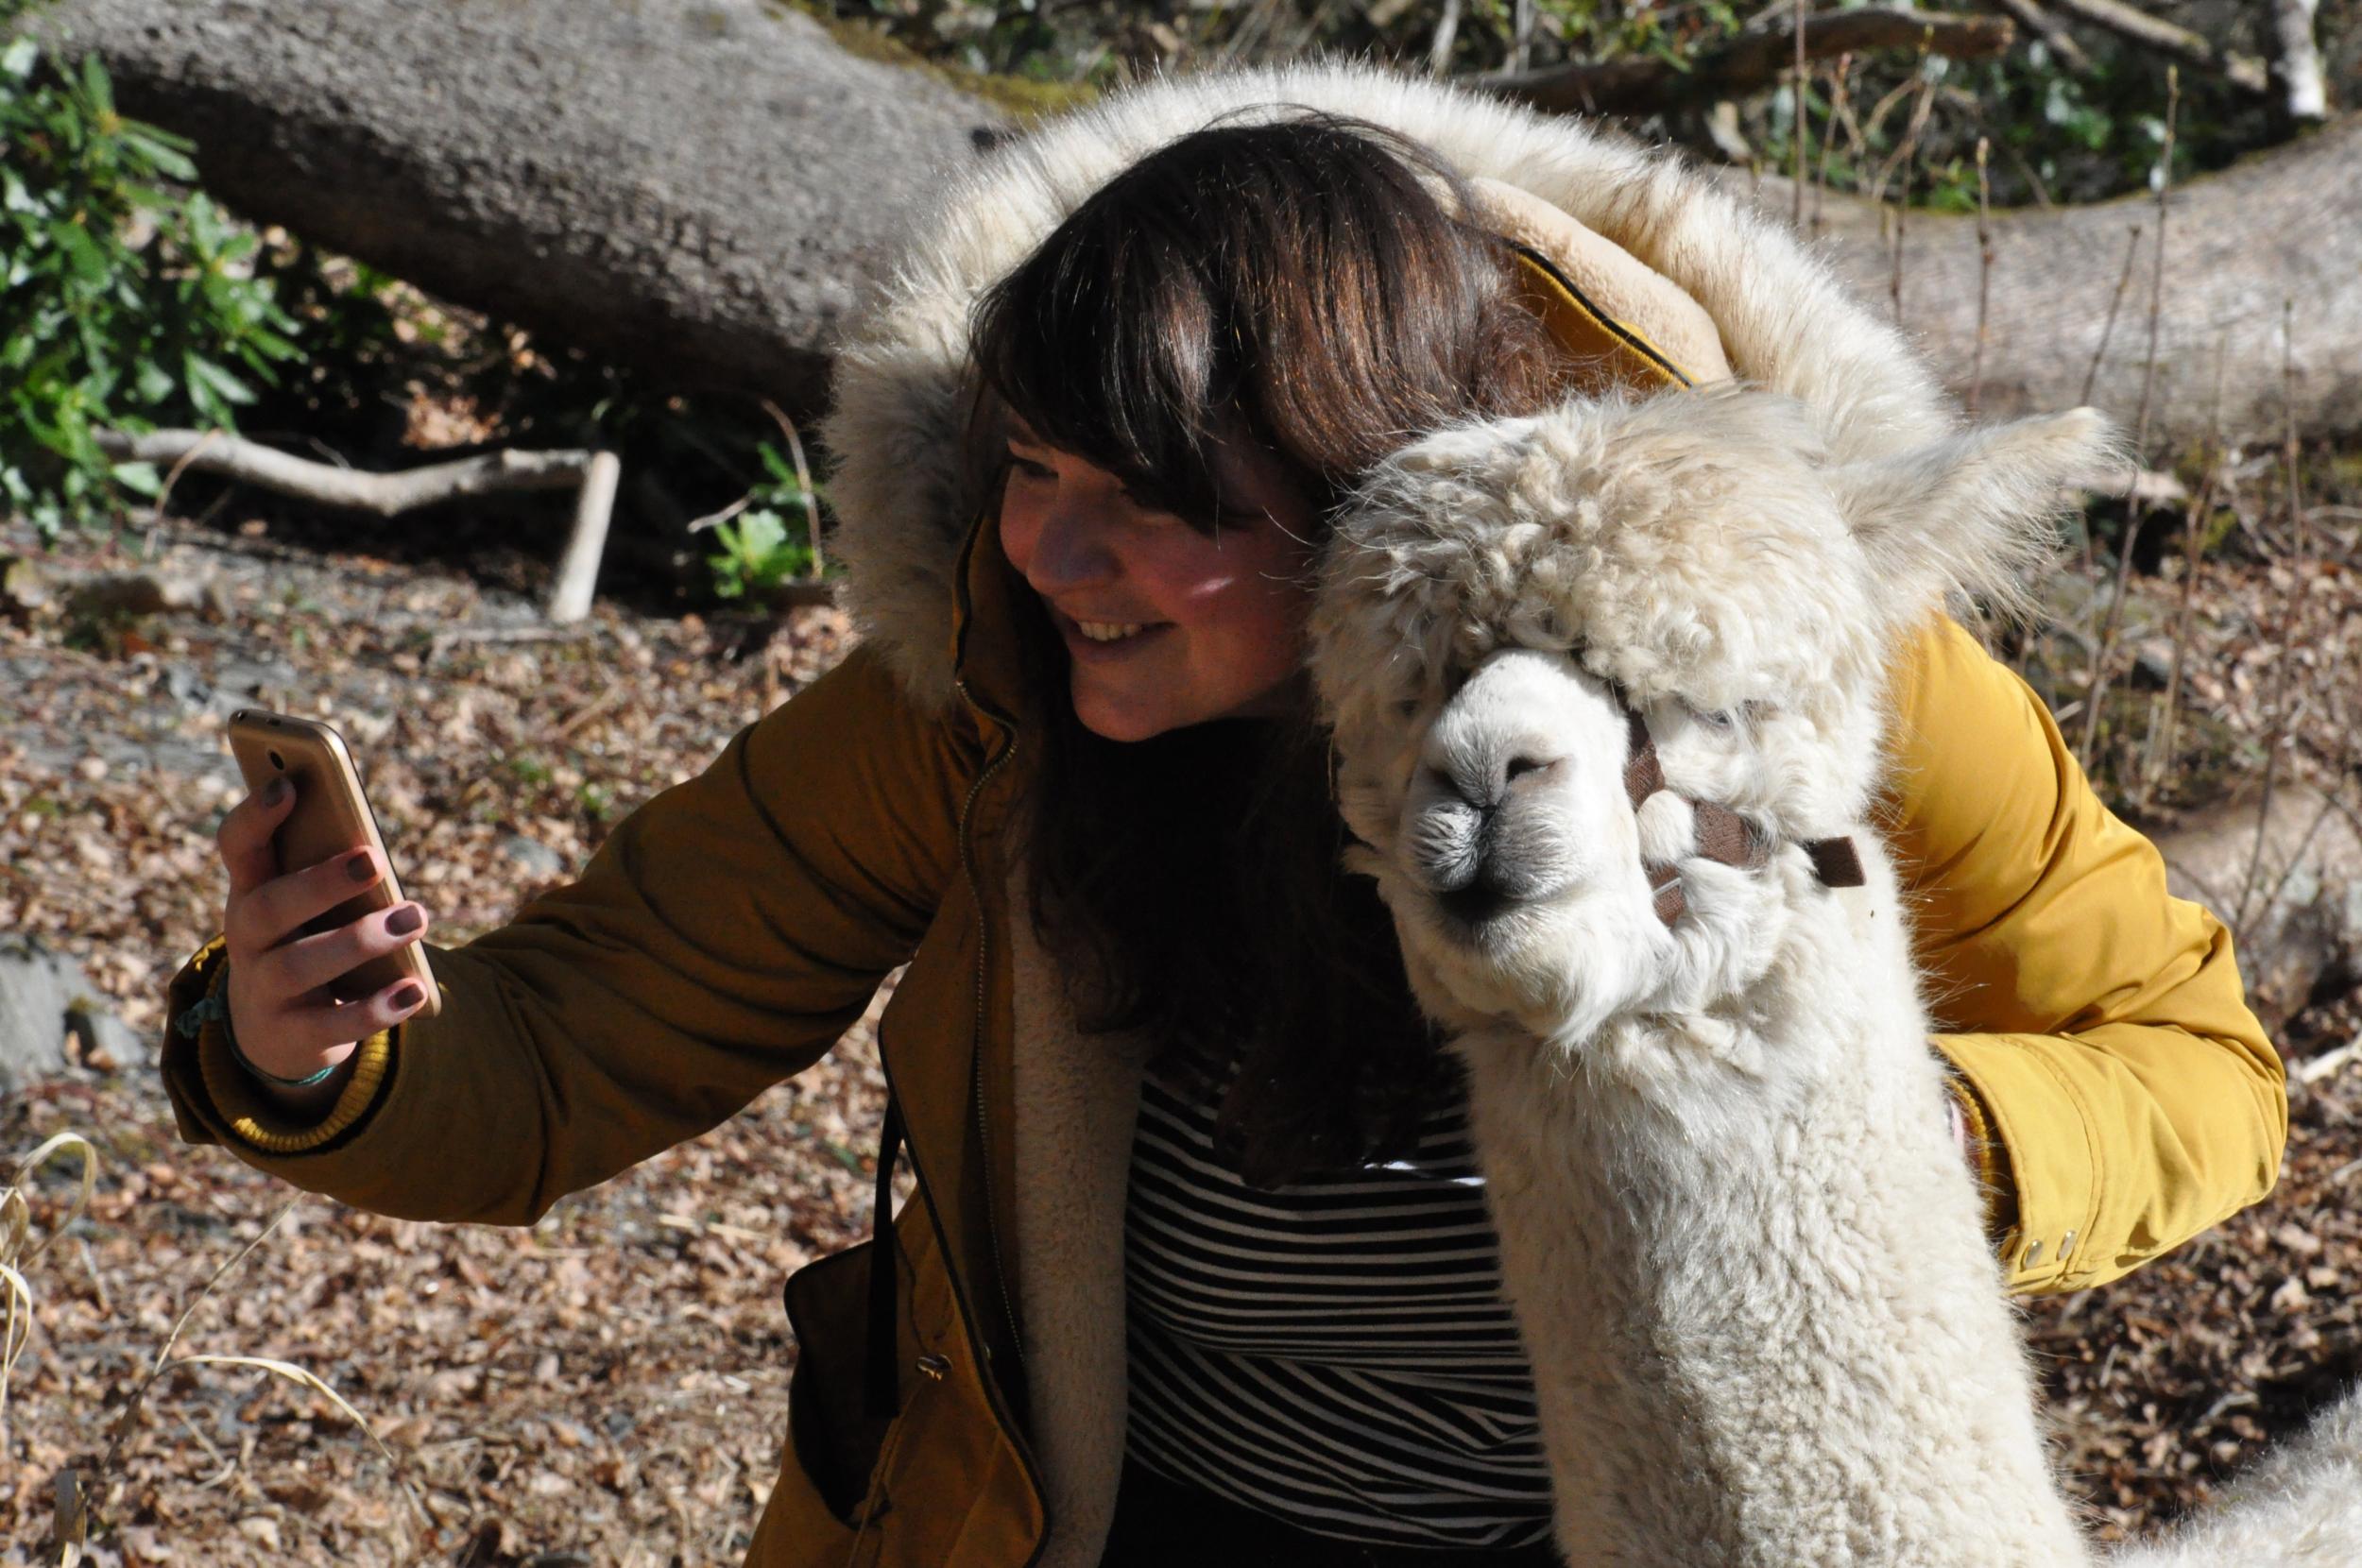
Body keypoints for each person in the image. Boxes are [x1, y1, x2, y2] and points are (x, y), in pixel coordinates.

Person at [162, 67, 2283, 1568]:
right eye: (1028, 467)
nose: (1055, 553)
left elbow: (2193, 1069)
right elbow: (578, 1040)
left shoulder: (1764, 672)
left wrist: (1860, 1164)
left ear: (1362, 488)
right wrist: (310, 1049)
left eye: (1152, 501)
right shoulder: (987, 703)